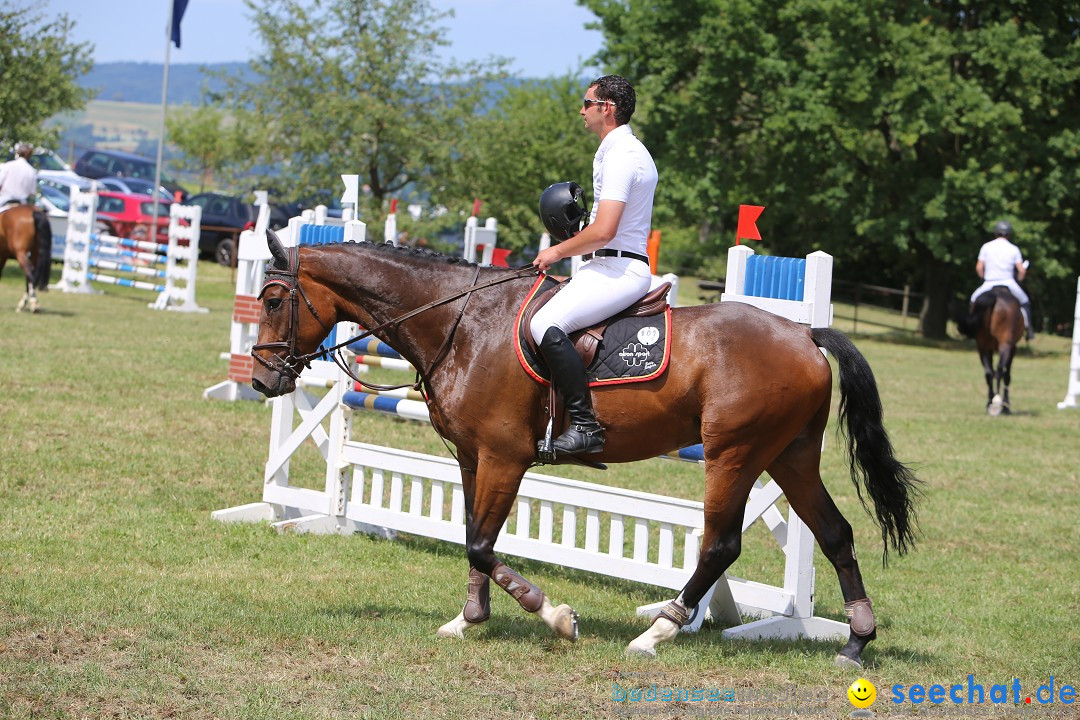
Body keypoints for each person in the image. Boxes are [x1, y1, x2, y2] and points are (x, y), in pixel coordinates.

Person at [530, 75, 658, 456]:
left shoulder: (624, 155)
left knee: (544, 324)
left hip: (620, 270)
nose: (581, 109)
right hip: (604, 266)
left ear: (608, 108)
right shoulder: (613, 152)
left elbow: (605, 231)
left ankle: (586, 426)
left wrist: (557, 251)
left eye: (587, 103)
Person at [969, 220, 1034, 340]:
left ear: (995, 233)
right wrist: (1020, 279)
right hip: (1008, 282)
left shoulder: (986, 246)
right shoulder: (1014, 249)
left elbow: (979, 267)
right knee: (1025, 301)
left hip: (989, 282)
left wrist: (983, 278)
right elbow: (1021, 271)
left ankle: (971, 327)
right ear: (1009, 234)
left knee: (973, 299)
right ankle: (1029, 329)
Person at [0, 142, 37, 208]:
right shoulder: (31, 171)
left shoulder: (8, 165)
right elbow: (32, 192)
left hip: (5, 199)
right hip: (22, 202)